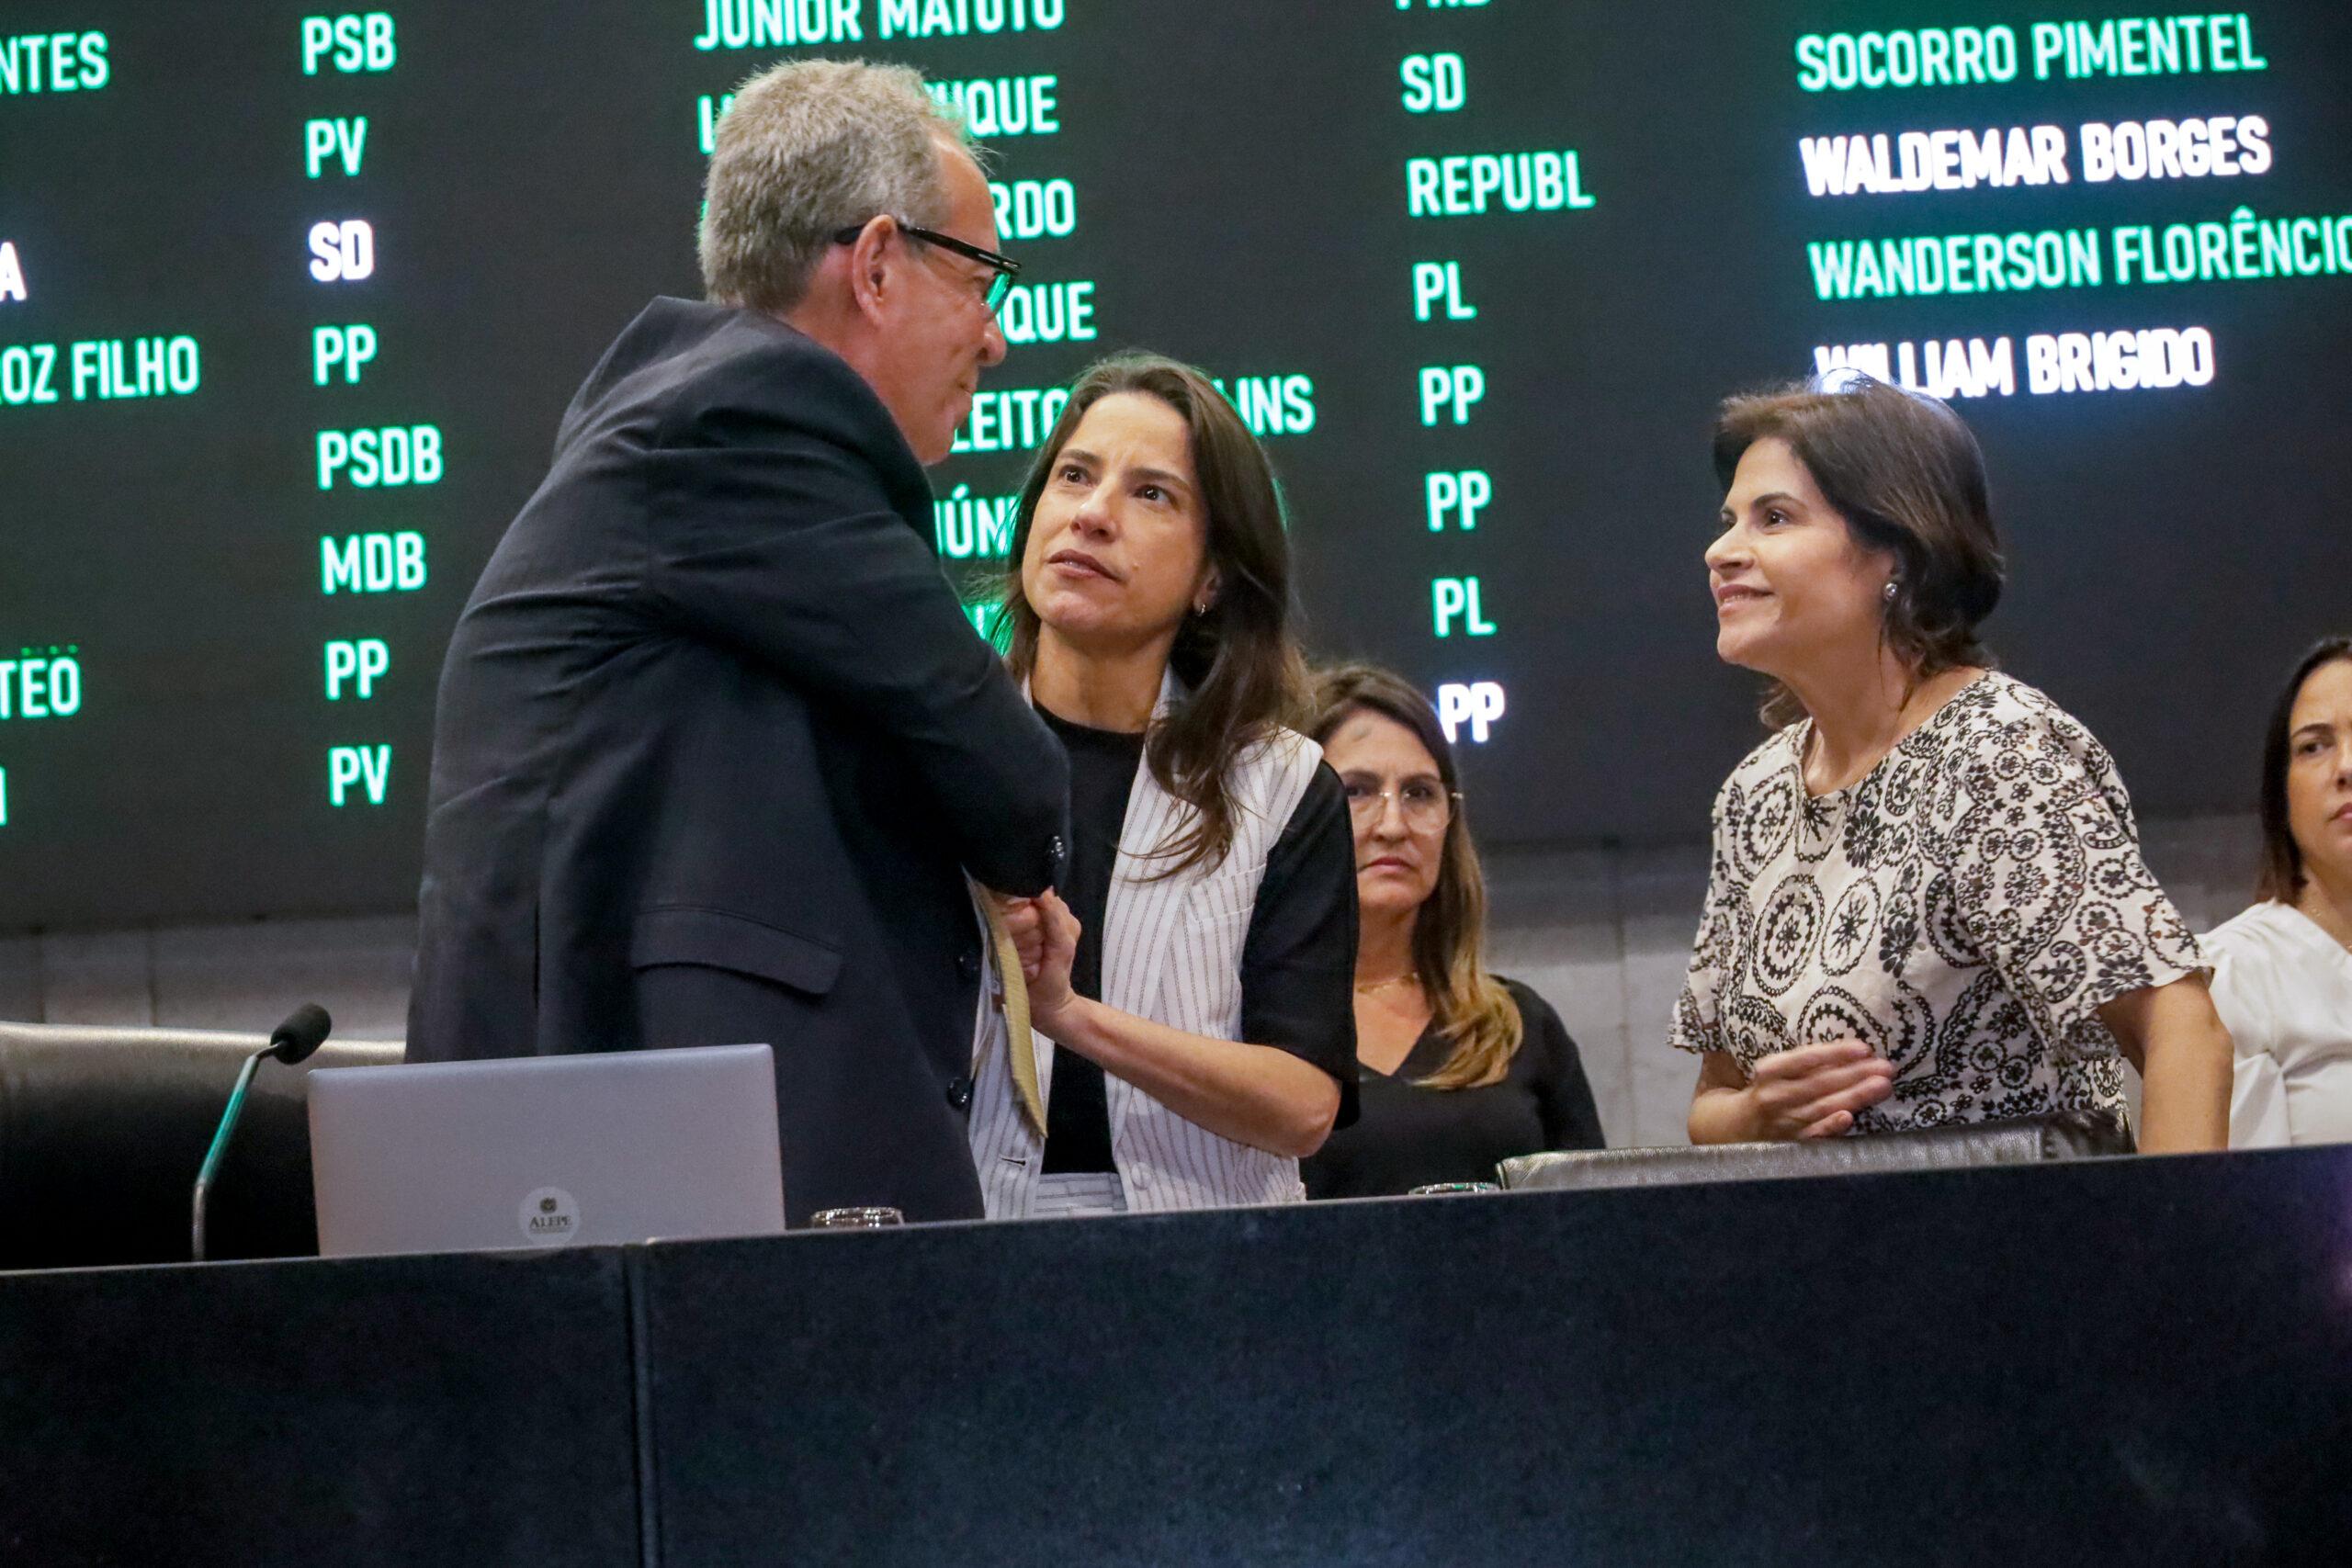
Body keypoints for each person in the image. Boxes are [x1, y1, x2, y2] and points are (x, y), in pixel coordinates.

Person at [406, 61, 1069, 1225]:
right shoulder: (756, 419)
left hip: (593, 1112)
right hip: (636, 1134)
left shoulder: (677, 421)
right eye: (979, 275)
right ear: (874, 264)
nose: (996, 335)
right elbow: (1009, 776)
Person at [1673, 377, 2233, 1152]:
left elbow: (2184, 1032)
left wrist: (2176, 1260)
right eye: (1728, 521)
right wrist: (1759, 1116)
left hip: (2022, 1255)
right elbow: (1714, 1104)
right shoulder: (1754, 797)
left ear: (1894, 551)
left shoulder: (1998, 754)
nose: (1722, 551)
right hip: (1812, 1262)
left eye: (1773, 518)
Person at [969, 353, 1359, 1216]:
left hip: (1211, 1259)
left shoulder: (1282, 783)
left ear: (1212, 578)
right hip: (966, 1245)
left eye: (1152, 494)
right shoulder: (932, 747)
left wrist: (1070, 1015)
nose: (1092, 515)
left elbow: (1303, 1105)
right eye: (1074, 475)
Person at [1299, 664, 1604, 1198]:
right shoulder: (1245, 1029)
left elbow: (1599, 1232)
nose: (1393, 825)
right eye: (1356, 791)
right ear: (1291, 814)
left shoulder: (1515, 1025)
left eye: (1419, 793)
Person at [2206, 637, 2352, 1146]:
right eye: (2314, 746)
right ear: (2281, 792)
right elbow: (2244, 1216)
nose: (2345, 768)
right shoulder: (2236, 975)